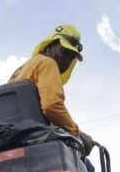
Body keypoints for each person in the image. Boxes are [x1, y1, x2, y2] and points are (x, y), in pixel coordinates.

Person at [9, 24, 97, 161]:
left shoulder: (25, 68)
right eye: (64, 52)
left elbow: (35, 111)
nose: (66, 59)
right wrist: (76, 134)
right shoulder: (48, 63)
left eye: (71, 56)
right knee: (86, 166)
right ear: (51, 45)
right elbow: (51, 106)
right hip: (34, 138)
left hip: (13, 136)